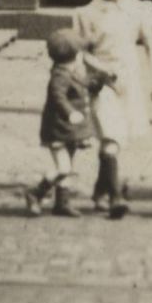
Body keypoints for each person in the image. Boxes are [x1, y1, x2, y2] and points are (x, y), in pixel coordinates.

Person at [73, 0, 152, 219]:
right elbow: (82, 53)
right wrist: (99, 71)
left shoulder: (139, 9)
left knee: (115, 139)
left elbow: (151, 45)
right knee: (110, 138)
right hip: (101, 84)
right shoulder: (87, 13)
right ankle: (115, 198)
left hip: (129, 82)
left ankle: (100, 191)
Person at [26, 26, 111, 216]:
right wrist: (70, 112)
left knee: (68, 165)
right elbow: (58, 96)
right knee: (63, 168)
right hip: (58, 128)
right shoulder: (60, 75)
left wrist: (99, 80)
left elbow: (86, 84)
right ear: (76, 55)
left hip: (69, 130)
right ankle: (35, 193)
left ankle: (61, 203)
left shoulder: (73, 71)